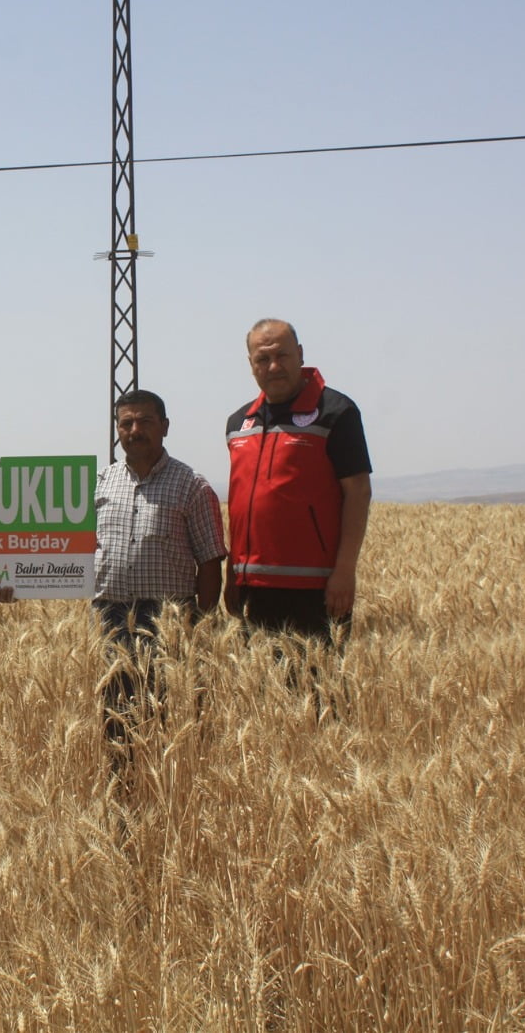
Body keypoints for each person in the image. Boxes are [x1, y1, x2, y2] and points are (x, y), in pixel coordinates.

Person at [93, 389, 227, 764]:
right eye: (126, 423)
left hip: (167, 618)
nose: (135, 430)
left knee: (166, 717)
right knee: (114, 719)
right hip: (109, 616)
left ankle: (165, 797)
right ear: (117, 429)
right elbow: (72, 550)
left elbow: (211, 561)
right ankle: (123, 792)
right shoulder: (101, 482)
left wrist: (198, 623)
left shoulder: (192, 486)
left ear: (165, 427)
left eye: (145, 422)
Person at [224, 318, 372, 652]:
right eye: (262, 359)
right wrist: (233, 573)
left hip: (315, 588)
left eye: (282, 356)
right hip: (253, 586)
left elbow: (358, 492)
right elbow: (240, 505)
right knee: (262, 696)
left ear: (300, 354)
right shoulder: (239, 423)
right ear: (251, 365)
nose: (273, 366)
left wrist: (345, 571)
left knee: (320, 697)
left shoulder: (335, 412)